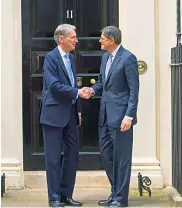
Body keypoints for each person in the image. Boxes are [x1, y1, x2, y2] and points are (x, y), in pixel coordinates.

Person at [83, 26, 139, 207]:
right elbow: (102, 82)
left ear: (112, 40)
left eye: (102, 39)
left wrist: (129, 116)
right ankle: (115, 193)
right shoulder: (105, 57)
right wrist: (92, 90)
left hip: (121, 117)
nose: (100, 41)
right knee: (107, 156)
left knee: (122, 159)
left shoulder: (128, 58)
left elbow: (133, 91)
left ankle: (120, 199)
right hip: (105, 116)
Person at [39, 24, 86, 208]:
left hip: (71, 115)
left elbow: (74, 82)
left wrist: (79, 111)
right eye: (73, 37)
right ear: (61, 38)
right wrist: (78, 93)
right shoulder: (51, 58)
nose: (76, 40)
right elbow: (55, 86)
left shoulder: (72, 58)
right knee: (53, 158)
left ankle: (67, 195)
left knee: (72, 155)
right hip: (52, 114)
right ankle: (54, 198)